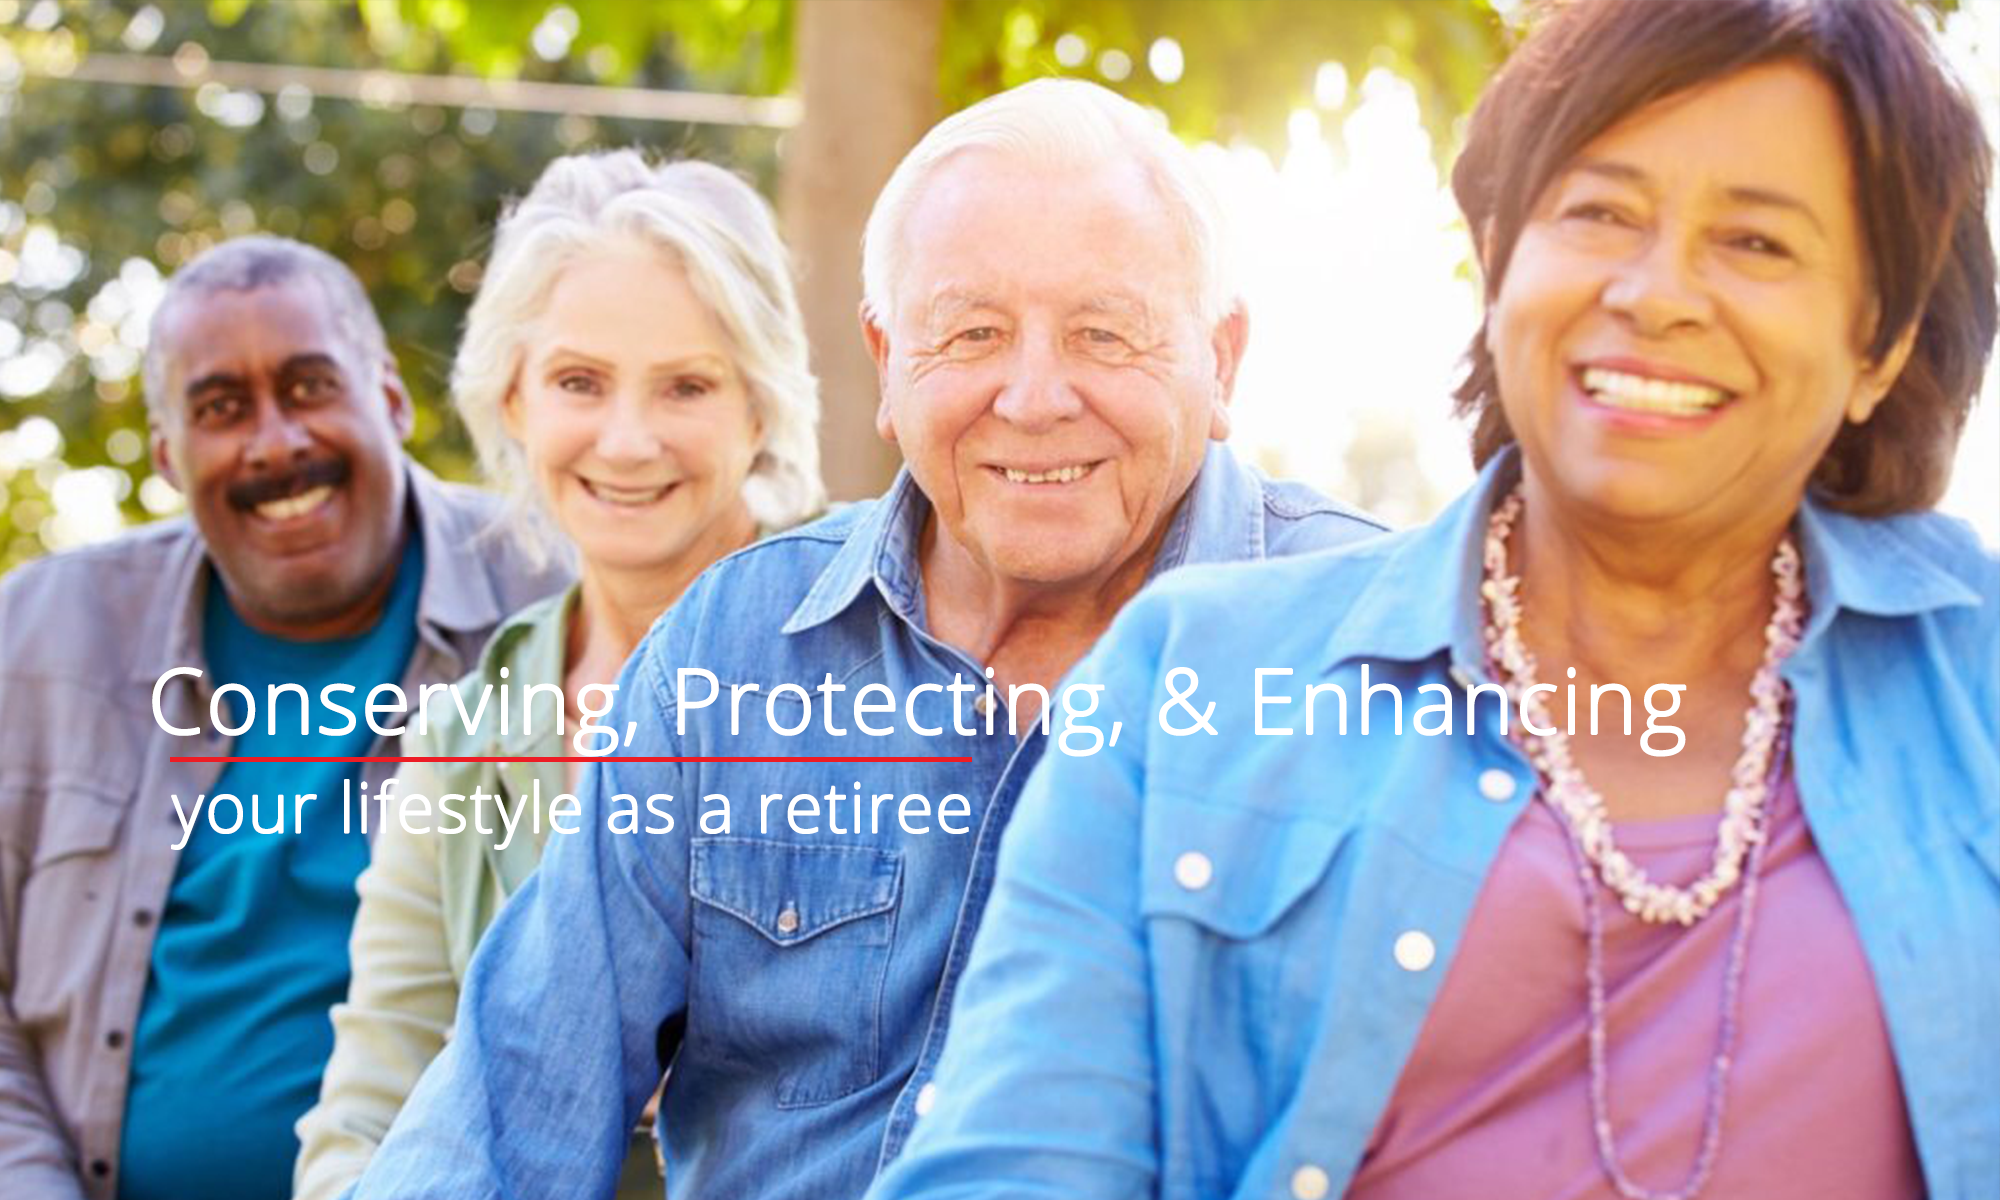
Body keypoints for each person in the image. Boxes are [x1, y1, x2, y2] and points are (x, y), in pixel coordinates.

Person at [867, 2, 1999, 1198]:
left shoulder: (1973, 681)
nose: (1656, 292)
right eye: (1600, 210)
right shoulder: (1184, 679)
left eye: (1757, 243)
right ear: (1499, 254)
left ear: (1877, 340)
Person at [350, 78, 1386, 1200]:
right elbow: (513, 1098)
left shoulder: (1373, 650)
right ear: (887, 362)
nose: (1033, 395)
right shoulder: (730, 650)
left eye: (1105, 332)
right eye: (970, 332)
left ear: (1219, 360)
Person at [292, 150, 824, 1200]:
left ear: (758, 409)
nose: (626, 442)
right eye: (579, 382)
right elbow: (373, 1098)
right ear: (513, 399)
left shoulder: (876, 684)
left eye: (686, 385)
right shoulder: (458, 735)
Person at [0, 236, 566, 1200]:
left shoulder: (558, 598)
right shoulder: (42, 638)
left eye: (310, 388)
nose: (275, 442)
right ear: (171, 455)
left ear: (390, 398)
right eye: (223, 409)